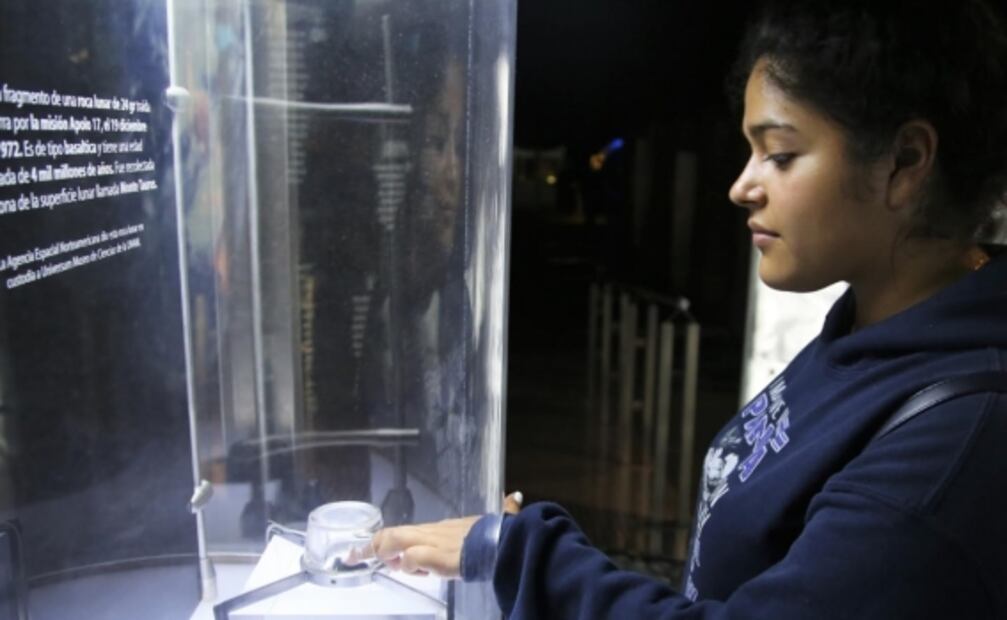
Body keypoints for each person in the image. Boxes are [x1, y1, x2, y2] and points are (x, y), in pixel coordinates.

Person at [362, 0, 1007, 617]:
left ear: (905, 162)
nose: (741, 186)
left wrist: (527, 557)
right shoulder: (865, 333)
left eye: (779, 154)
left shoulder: (959, 444)